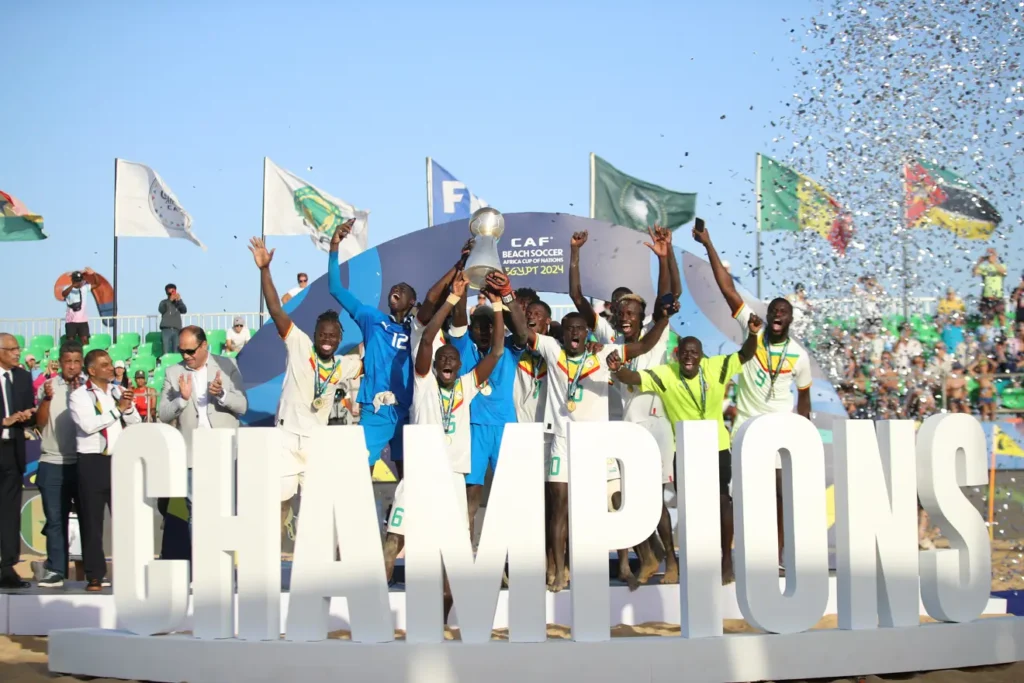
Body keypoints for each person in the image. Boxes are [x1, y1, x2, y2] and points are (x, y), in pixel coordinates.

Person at [524, 295, 674, 592]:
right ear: (562, 332)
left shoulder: (605, 353)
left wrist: (665, 318)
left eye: (581, 329)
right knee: (559, 507)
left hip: (599, 442)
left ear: (587, 333)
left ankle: (631, 562)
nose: (576, 333)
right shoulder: (553, 350)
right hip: (563, 441)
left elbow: (644, 346)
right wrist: (505, 298)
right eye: (570, 329)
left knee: (615, 502)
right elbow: (526, 326)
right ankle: (558, 572)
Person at [384, 273, 503, 622]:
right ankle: (374, 614)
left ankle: (440, 620)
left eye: (453, 358)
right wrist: (451, 299)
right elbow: (426, 342)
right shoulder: (423, 382)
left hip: (451, 474)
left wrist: (497, 304)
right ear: (433, 366)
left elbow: (496, 350)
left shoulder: (467, 385)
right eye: (443, 359)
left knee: (453, 557)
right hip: (421, 472)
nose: (448, 362)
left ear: (459, 365)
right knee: (393, 543)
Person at [693, 221, 813, 568]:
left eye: (783, 312)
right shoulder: (752, 330)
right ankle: (729, 559)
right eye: (773, 310)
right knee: (737, 496)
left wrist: (800, 435)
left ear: (790, 319)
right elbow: (727, 288)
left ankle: (776, 557)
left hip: (778, 436)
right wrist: (708, 242)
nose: (777, 315)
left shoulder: (799, 356)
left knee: (778, 497)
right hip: (745, 430)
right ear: (766, 314)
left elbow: (803, 400)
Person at [568, 225, 682, 588]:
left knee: (653, 498)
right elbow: (577, 298)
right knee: (627, 496)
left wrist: (664, 257)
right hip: (623, 428)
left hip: (655, 425)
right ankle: (648, 556)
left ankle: (672, 562)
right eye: (622, 311)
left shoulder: (657, 333)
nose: (627, 316)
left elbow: (668, 296)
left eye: (633, 311)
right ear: (615, 316)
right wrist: (575, 255)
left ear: (643, 314)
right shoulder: (609, 339)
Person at [609, 315, 762, 585]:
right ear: (677, 355)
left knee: (722, 500)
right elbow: (630, 376)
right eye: (685, 353)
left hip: (717, 446)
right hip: (685, 450)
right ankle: (698, 562)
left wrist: (752, 334)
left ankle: (726, 559)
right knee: (690, 507)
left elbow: (746, 354)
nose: (689, 357)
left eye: (695, 353)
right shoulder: (665, 373)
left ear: (702, 356)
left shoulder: (716, 367)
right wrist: (615, 368)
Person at [249, 237, 363, 532]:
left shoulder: (343, 365)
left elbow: (371, 359)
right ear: (314, 334)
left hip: (316, 441)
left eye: (332, 336)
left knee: (316, 507)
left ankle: (314, 564)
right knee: (278, 502)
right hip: (286, 436)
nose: (327, 340)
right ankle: (268, 559)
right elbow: (276, 310)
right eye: (322, 335)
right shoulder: (299, 345)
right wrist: (265, 270)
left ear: (339, 341)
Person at [327, 219, 417, 476]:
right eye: (394, 287)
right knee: (360, 474)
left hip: (407, 410)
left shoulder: (420, 328)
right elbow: (335, 288)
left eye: (403, 289)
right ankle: (360, 517)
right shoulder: (372, 318)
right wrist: (334, 245)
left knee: (409, 478)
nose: (396, 289)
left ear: (413, 301)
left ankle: (400, 516)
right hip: (374, 409)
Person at [447, 271, 529, 544]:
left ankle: (511, 558)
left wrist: (506, 296)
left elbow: (522, 331)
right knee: (470, 496)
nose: (483, 331)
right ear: (470, 330)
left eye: (488, 325)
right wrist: (462, 276)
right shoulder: (463, 348)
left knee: (512, 494)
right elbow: (458, 318)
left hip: (506, 429)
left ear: (497, 327)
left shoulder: (508, 348)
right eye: (477, 326)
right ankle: (463, 554)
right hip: (472, 431)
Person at [158, 325, 248, 560]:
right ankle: (202, 565)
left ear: (204, 345)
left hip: (224, 449)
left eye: (190, 351)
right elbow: (163, 413)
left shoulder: (228, 366)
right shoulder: (172, 372)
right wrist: (181, 399)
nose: (186, 356)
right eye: (182, 351)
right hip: (192, 453)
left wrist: (222, 395)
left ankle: (224, 564)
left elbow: (242, 406)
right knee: (195, 511)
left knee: (225, 509)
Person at [69, 349, 141, 591]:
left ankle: (128, 572)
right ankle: (95, 575)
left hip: (118, 460)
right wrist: (117, 410)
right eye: (105, 365)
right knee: (91, 521)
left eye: (111, 363)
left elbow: (135, 423)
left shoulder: (117, 391)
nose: (111, 368)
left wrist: (128, 408)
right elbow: (89, 425)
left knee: (124, 520)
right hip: (92, 462)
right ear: (92, 371)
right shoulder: (79, 396)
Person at [33, 342, 85, 587]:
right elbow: (40, 423)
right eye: (68, 362)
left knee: (88, 519)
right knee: (55, 519)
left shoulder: (90, 385)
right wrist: (46, 399)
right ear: (60, 362)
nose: (72, 366)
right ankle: (56, 570)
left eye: (76, 361)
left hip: (84, 462)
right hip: (52, 461)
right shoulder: (49, 386)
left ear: (82, 362)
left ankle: (92, 571)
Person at [0, 333, 36, 589]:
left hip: (13, 451)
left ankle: (7, 566)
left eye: (18, 348)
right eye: (11, 349)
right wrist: (3, 421)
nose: (17, 352)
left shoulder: (23, 377)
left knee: (10, 512)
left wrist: (28, 414)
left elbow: (31, 414)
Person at [62, 270, 91, 345]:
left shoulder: (84, 288)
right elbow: (63, 294)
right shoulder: (67, 288)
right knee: (71, 341)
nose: (78, 282)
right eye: (76, 280)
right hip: (71, 320)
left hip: (83, 321)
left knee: (85, 340)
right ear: (72, 280)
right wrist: (72, 286)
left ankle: (85, 355)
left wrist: (93, 274)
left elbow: (97, 284)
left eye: (79, 280)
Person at [158, 284, 187, 354]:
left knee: (176, 351)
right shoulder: (164, 302)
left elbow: (184, 310)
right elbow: (161, 309)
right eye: (170, 292)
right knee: (165, 351)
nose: (172, 294)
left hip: (176, 330)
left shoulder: (178, 302)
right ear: (166, 293)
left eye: (173, 291)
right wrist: (170, 300)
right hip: (166, 330)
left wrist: (179, 300)